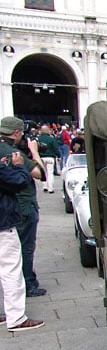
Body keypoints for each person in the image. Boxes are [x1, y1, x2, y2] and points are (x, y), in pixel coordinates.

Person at [0, 116, 46, 297]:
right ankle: (28, 284)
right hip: (22, 207)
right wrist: (34, 152)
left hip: (10, 208)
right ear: (17, 132)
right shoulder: (10, 151)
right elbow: (40, 174)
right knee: (24, 248)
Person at [0, 150, 45, 331]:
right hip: (3, 225)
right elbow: (20, 181)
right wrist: (18, 166)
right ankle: (16, 318)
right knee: (11, 270)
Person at [37, 125, 59, 193]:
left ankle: (45, 186)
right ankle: (50, 188)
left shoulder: (38, 139)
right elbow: (56, 148)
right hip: (50, 157)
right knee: (50, 173)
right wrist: (58, 155)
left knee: (43, 173)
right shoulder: (51, 139)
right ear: (47, 131)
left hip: (41, 158)